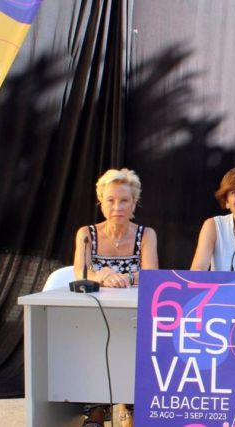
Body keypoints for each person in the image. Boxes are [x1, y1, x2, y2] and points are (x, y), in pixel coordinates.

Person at [73, 168, 159, 427]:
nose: (117, 206)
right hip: (95, 313)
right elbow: (81, 271)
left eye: (124, 200)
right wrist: (103, 275)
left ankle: (130, 405)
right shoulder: (86, 233)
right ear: (101, 201)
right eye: (110, 200)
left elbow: (151, 274)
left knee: (137, 343)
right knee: (92, 339)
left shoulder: (146, 234)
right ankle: (97, 408)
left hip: (134, 313)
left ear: (134, 202)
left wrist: (124, 278)